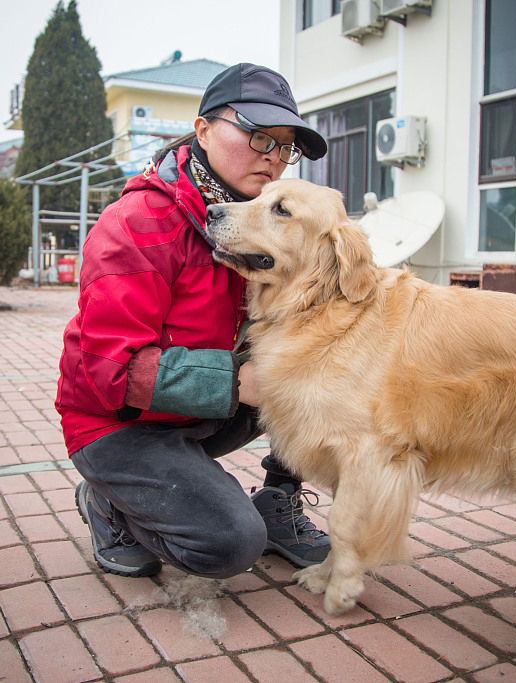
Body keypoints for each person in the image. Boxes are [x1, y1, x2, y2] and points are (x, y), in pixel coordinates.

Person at [55, 63, 331, 579]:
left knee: (314, 369)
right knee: (229, 545)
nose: (272, 159)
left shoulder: (260, 222)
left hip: (208, 410)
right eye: (257, 136)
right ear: (203, 129)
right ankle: (110, 500)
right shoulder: (137, 224)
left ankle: (278, 498)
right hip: (115, 424)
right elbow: (107, 370)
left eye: (284, 147)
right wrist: (237, 381)